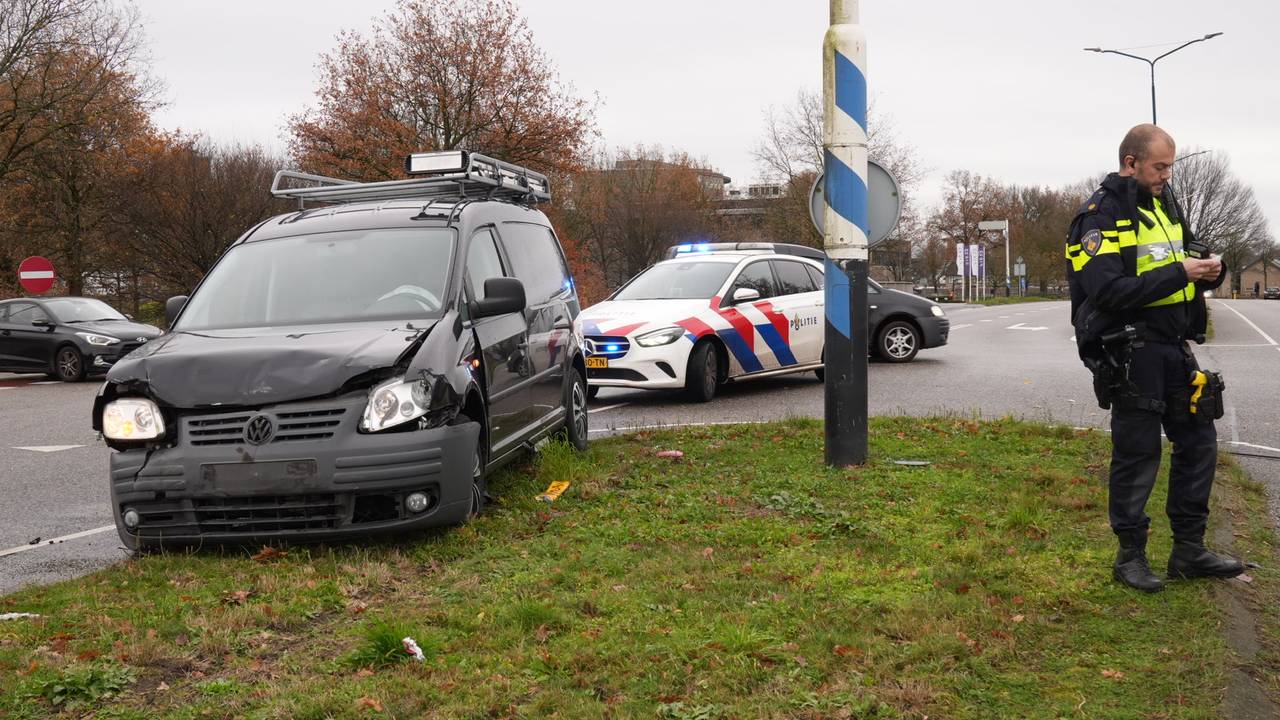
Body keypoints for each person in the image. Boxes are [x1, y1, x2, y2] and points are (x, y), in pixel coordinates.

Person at [1065, 124, 1242, 593]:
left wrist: (1206, 272)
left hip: (1172, 347)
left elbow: (1180, 262)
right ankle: (1130, 558)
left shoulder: (1164, 206)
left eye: (1170, 166)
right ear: (1131, 163)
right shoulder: (1099, 216)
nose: (1167, 175)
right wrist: (1178, 271)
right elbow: (1107, 291)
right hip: (1130, 349)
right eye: (1160, 166)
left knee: (1199, 442)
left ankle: (1189, 549)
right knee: (1138, 454)